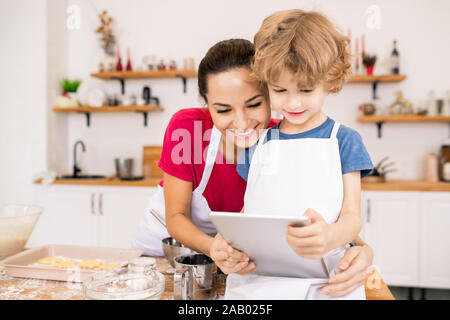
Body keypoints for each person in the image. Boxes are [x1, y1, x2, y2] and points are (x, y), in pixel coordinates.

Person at [132, 38, 374, 297]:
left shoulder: (281, 142)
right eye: (223, 110)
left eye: (254, 104)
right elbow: (176, 216)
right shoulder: (187, 129)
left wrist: (364, 250)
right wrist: (213, 246)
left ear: (270, 92)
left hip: (240, 260)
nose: (242, 122)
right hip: (169, 254)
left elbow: (327, 218)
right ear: (207, 103)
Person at [223, 10, 374, 300]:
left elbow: (352, 217)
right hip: (258, 282)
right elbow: (248, 211)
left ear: (329, 79)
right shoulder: (258, 141)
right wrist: (228, 242)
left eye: (306, 89)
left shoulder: (344, 140)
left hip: (326, 281)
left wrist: (331, 236)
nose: (292, 102)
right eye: (279, 89)